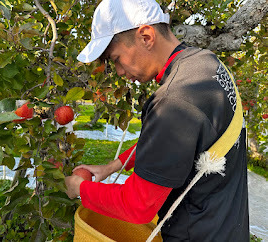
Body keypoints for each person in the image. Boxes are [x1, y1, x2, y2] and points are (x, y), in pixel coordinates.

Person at [65, 0, 250, 241]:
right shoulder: (205, 64)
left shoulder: (175, 100)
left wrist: (80, 189)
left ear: (145, 36)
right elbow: (175, 145)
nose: (119, 71)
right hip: (227, 226)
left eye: (116, 58)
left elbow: (137, 206)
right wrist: (113, 166)